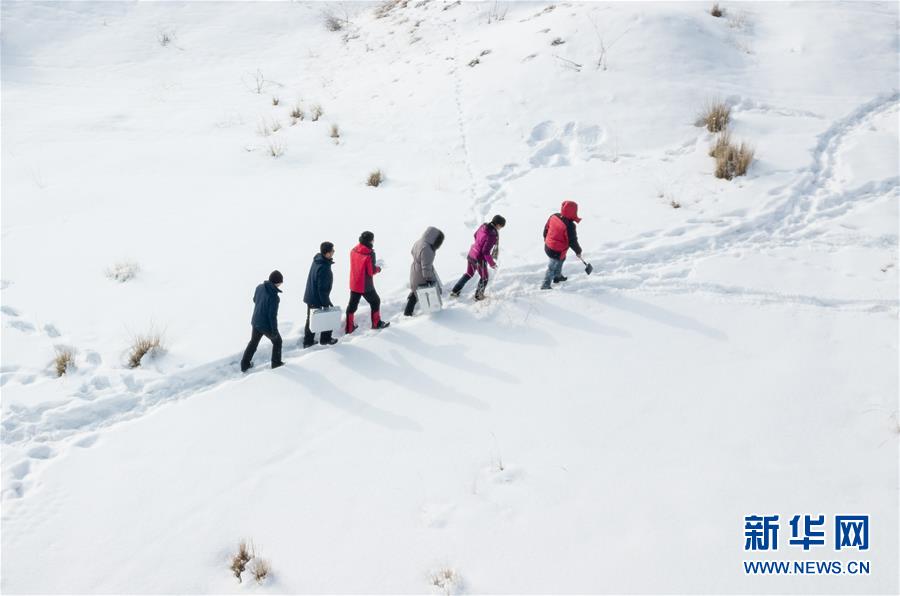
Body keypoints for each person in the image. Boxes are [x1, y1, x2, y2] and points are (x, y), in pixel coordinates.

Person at [450, 215, 505, 301]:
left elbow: (475, 235)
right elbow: (485, 252)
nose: (500, 228)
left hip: (472, 253)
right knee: (485, 277)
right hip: (479, 259)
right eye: (501, 226)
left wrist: (479, 244)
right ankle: (479, 296)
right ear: (498, 224)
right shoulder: (492, 235)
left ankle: (455, 291)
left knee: (468, 273)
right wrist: (492, 264)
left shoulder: (484, 226)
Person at [240, 270, 285, 372]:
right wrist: (274, 331)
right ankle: (276, 363)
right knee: (277, 341)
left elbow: (255, 299)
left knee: (253, 342)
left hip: (256, 321)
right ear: (277, 282)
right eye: (281, 282)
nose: (281, 284)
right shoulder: (274, 297)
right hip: (265, 325)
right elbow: (272, 316)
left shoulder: (259, 287)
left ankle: (244, 364)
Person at [346, 231, 390, 333]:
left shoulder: (353, 250)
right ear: (370, 240)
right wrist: (379, 268)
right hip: (365, 285)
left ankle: (349, 328)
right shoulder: (369, 254)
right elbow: (371, 271)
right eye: (373, 239)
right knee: (375, 301)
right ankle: (376, 323)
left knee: (352, 305)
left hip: (354, 283)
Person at [303, 242, 339, 348]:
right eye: (332, 250)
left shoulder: (318, 260)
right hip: (316, 298)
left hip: (310, 295)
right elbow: (322, 289)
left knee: (310, 319)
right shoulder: (324, 267)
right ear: (327, 253)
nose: (334, 252)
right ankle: (325, 339)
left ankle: (308, 341)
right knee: (329, 315)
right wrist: (326, 303)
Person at [541, 200, 583, 290]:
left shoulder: (554, 216)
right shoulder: (570, 226)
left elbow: (546, 228)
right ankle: (545, 284)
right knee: (551, 267)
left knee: (562, 259)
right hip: (556, 250)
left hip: (548, 246)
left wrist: (546, 239)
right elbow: (572, 241)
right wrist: (578, 251)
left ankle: (557, 276)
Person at [404, 226, 445, 316]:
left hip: (414, 270)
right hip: (421, 274)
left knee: (415, 290)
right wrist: (429, 278)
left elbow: (412, 252)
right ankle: (432, 312)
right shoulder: (427, 248)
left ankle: (407, 312)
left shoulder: (419, 242)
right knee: (427, 291)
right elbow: (426, 266)